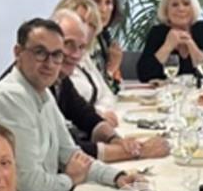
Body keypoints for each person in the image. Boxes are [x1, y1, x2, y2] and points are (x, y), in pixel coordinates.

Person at [0, 18, 141, 191]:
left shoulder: (41, 92)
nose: (50, 63)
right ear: (18, 53)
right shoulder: (10, 99)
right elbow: (30, 184)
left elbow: (71, 153)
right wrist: (70, 179)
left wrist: (117, 176)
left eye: (56, 55)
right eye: (40, 53)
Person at [54, 9, 168, 164]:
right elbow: (64, 150)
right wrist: (137, 151)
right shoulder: (38, 81)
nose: (75, 54)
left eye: (81, 47)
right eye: (68, 44)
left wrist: (117, 140)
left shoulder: (60, 77)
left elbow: (84, 114)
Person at [137, 0, 203, 83]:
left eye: (186, 4)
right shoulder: (157, 32)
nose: (181, 9)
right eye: (175, 5)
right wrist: (168, 46)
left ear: (193, 8)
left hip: (197, 95)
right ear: (166, 10)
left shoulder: (202, 29)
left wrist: (191, 44)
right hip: (165, 95)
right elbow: (143, 75)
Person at [54, 0, 118, 113]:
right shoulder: (55, 65)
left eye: (91, 24)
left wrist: (99, 114)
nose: (85, 29)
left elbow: (107, 95)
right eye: (82, 21)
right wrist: (98, 115)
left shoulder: (84, 57)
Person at [72, 0, 123, 85]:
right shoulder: (77, 41)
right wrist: (111, 69)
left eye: (108, 2)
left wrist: (113, 71)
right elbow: (92, 92)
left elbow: (114, 89)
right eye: (97, 1)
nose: (103, 9)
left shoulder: (103, 37)